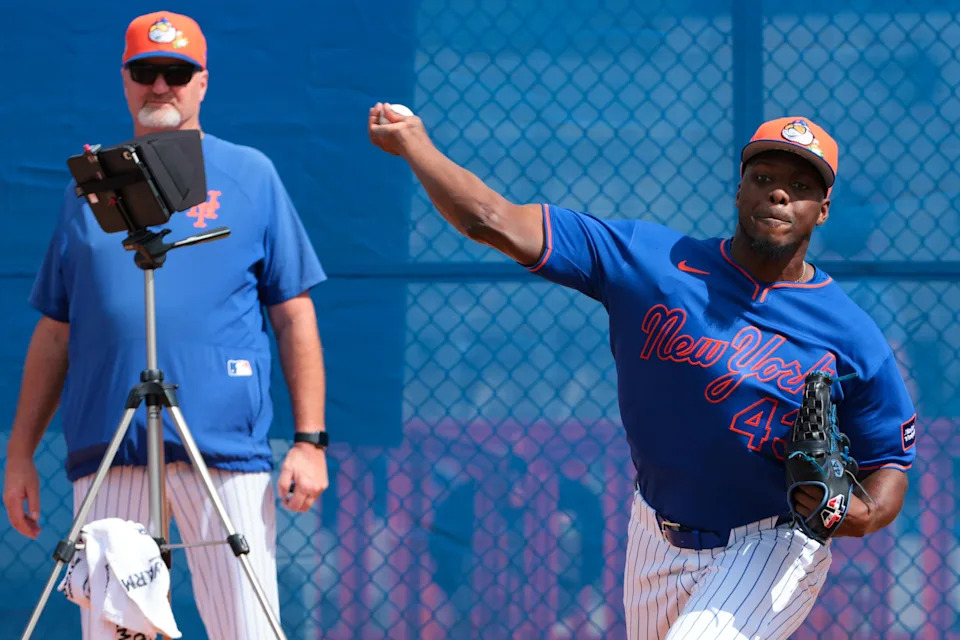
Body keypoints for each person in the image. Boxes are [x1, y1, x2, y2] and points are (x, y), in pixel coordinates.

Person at [368, 105, 917, 639]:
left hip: (772, 543)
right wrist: (415, 144)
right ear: (739, 192)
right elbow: (491, 219)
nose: (778, 194)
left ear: (822, 210)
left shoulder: (850, 333)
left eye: (799, 186)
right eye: (764, 178)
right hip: (656, 531)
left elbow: (889, 463)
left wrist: (861, 514)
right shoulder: (651, 261)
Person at [3, 11, 330, 639]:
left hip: (224, 449)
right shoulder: (88, 191)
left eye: (176, 73)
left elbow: (294, 315)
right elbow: (55, 332)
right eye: (145, 71)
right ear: (125, 80)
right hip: (112, 447)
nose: (160, 86)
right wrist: (19, 454)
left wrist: (310, 441)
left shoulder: (250, 174)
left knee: (248, 629)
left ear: (202, 82)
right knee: (114, 632)